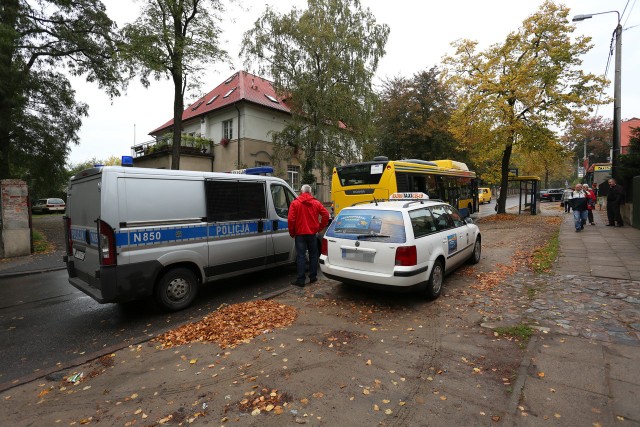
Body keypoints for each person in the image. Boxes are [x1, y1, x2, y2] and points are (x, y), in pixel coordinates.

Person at [288, 184, 330, 287]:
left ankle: (301, 280)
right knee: (313, 255)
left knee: (301, 256)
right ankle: (313, 277)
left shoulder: (295, 203)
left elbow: (291, 219)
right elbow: (326, 215)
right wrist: (319, 228)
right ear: (310, 192)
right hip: (312, 234)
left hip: (300, 234)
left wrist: (292, 232)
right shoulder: (316, 203)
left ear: (301, 192)